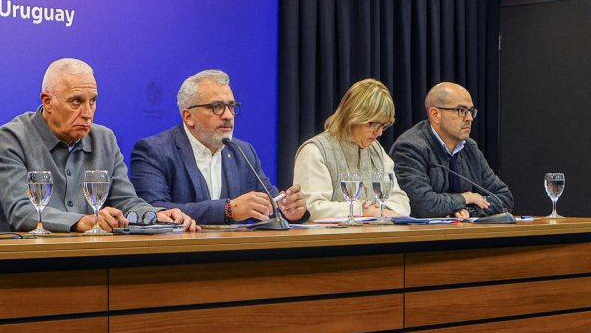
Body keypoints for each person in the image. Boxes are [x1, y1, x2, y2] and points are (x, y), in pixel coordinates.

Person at [0, 58, 196, 233]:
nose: (88, 112)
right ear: (48, 101)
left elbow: (126, 200)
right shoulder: (12, 137)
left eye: (93, 101)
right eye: (76, 101)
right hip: (25, 261)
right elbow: (21, 211)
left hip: (90, 258)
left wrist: (156, 215)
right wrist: (82, 221)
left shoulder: (104, 139)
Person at [130, 70, 307, 225]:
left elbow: (270, 204)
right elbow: (155, 211)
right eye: (217, 107)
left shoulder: (243, 152)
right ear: (188, 116)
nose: (228, 116)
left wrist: (288, 210)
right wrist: (228, 209)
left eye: (231, 106)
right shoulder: (153, 151)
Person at [389, 82, 514, 219]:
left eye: (471, 111)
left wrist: (468, 211)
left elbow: (504, 197)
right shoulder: (410, 148)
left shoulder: (469, 147)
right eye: (461, 110)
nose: (469, 118)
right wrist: (465, 197)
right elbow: (421, 204)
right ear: (435, 114)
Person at [293, 78, 410, 219]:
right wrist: (360, 210)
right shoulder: (314, 151)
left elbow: (401, 202)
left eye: (384, 126)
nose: (379, 133)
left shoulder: (376, 150)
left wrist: (379, 210)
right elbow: (313, 209)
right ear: (352, 117)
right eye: (374, 124)